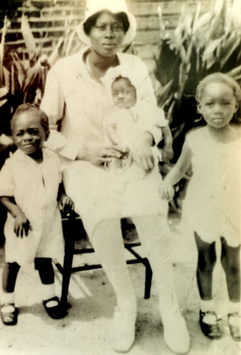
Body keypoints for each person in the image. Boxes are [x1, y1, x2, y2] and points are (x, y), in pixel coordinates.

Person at [40, 0, 190, 353]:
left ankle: (169, 306)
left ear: (125, 31)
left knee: (153, 212)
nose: (110, 34)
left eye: (117, 26)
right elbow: (47, 126)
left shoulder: (134, 66)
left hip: (132, 157)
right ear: (89, 30)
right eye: (102, 26)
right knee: (103, 216)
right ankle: (126, 303)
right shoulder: (63, 70)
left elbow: (152, 115)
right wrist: (84, 152)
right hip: (84, 163)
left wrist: (142, 139)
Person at [160, 73, 241, 342]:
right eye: (210, 104)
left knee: (233, 262)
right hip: (203, 206)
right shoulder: (195, 138)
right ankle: (207, 310)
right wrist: (166, 185)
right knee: (206, 260)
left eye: (225, 103)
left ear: (235, 105)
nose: (218, 110)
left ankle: (235, 310)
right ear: (200, 107)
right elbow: (180, 169)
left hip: (234, 206)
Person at [0, 104, 73, 326]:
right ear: (13, 137)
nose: (27, 138)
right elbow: (3, 195)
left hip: (49, 222)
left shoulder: (53, 158)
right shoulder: (12, 164)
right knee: (13, 262)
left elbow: (57, 183)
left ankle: (49, 296)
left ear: (46, 133)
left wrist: (62, 197)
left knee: (44, 259)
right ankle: (7, 301)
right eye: (20, 133)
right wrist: (18, 213)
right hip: (22, 225)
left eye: (34, 131)